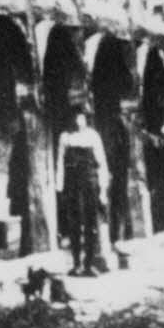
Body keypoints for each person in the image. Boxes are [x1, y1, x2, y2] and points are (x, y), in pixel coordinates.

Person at [55, 107, 110, 276]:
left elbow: (101, 163)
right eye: (76, 118)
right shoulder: (65, 137)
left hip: (90, 182)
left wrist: (103, 189)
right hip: (72, 184)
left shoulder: (93, 136)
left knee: (91, 223)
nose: (79, 122)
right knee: (74, 224)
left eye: (82, 118)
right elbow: (60, 164)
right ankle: (76, 263)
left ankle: (89, 264)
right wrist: (60, 188)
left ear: (86, 119)